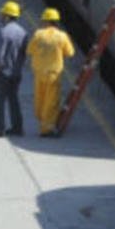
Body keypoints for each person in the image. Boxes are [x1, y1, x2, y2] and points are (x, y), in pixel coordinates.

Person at [26, 8, 75, 137]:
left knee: (39, 98)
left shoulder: (38, 34)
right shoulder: (62, 36)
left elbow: (29, 50)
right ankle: (46, 129)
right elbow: (70, 53)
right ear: (56, 21)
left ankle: (41, 118)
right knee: (51, 101)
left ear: (45, 21)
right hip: (53, 73)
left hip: (39, 72)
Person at [0, 0, 28, 137]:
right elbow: (24, 53)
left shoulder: (4, 31)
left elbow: (0, 54)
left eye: (2, 14)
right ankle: (17, 128)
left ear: (7, 16)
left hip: (4, 72)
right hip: (17, 72)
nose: (1, 16)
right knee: (14, 100)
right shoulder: (23, 32)